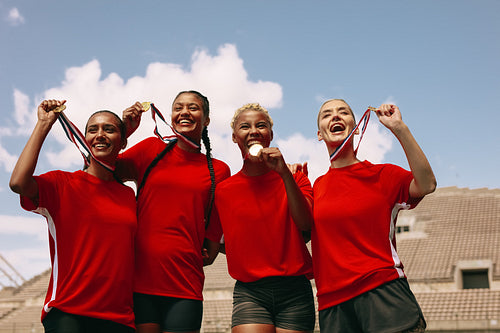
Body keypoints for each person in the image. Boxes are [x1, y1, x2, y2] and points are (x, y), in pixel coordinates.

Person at [9, 99, 137, 333]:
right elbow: (18, 183)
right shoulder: (62, 184)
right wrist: (43, 125)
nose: (99, 134)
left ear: (124, 141)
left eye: (109, 129)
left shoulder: (128, 195)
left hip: (120, 318)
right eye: (92, 129)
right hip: (69, 314)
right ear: (84, 138)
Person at [312, 99, 437, 333]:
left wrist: (399, 128)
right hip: (332, 304)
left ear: (356, 126)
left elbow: (427, 184)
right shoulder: (317, 187)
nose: (336, 116)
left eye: (343, 112)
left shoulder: (383, 175)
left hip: (383, 291)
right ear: (320, 134)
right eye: (327, 114)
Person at [118, 91, 231, 333]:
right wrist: (125, 131)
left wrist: (206, 249)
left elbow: (213, 234)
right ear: (171, 115)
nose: (184, 112)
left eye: (193, 108)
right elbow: (99, 168)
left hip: (184, 282)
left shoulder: (219, 170)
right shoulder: (149, 149)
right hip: (139, 282)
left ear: (207, 119)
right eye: (178, 107)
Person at [213, 103, 315, 333]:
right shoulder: (224, 190)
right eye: (245, 126)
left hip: (295, 289)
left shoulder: (296, 178)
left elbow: (305, 223)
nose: (254, 131)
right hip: (250, 292)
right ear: (234, 137)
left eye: (261, 125)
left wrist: (285, 174)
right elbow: (220, 242)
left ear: (270, 134)